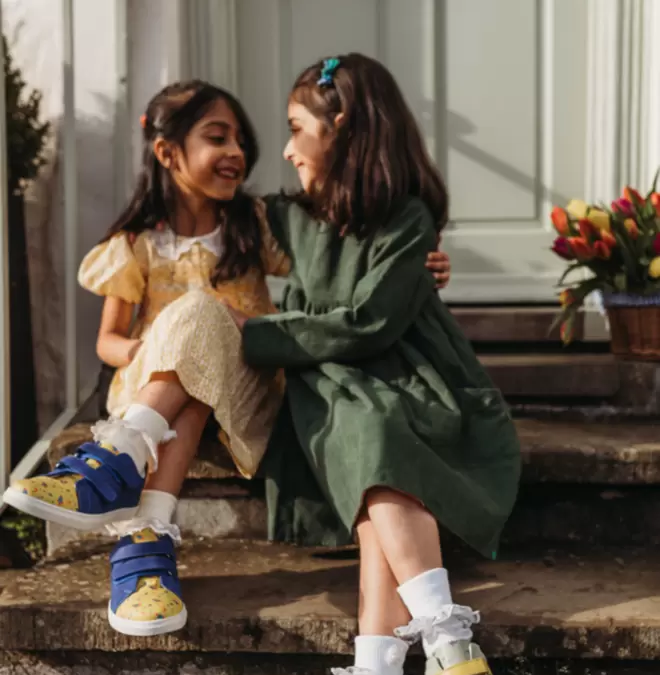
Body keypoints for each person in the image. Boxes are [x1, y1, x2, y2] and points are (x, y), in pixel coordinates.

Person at [3, 78, 450, 640]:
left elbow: (336, 262)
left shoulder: (255, 226)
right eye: (218, 137)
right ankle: (146, 551)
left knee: (198, 323)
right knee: (187, 372)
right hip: (162, 388)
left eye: (241, 139)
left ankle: (118, 470)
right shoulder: (137, 242)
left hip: (247, 389)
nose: (237, 152)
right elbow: (108, 342)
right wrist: (155, 349)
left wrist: (410, 265)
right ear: (168, 153)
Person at [230, 54, 528, 675]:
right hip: (339, 381)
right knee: (361, 426)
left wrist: (257, 333)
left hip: (418, 381)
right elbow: (204, 220)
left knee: (375, 430)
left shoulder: (406, 217)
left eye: (299, 130)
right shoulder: (287, 217)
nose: (288, 148)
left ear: (348, 130)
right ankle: (445, 657)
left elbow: (368, 323)